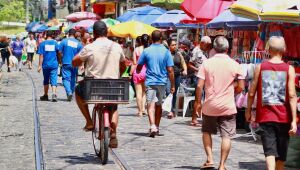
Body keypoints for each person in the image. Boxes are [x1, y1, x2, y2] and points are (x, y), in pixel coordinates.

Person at [246, 36, 298, 170]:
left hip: (265, 117)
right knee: (281, 155)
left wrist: (248, 111)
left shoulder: (260, 67)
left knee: (269, 151)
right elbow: (292, 95)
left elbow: (251, 92)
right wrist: (293, 120)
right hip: (284, 118)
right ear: (284, 49)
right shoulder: (289, 69)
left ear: (268, 49)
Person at [72, 21, 126, 148]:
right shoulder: (116, 46)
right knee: (114, 107)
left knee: (77, 91)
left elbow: (74, 62)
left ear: (94, 33)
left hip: (93, 86)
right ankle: (113, 134)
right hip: (114, 85)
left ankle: (89, 122)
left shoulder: (90, 47)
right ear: (106, 32)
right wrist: (118, 74)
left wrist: (83, 54)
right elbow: (123, 65)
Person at [194, 36, 245, 170]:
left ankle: (210, 159)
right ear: (227, 49)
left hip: (209, 105)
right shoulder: (235, 64)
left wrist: (198, 103)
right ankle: (222, 165)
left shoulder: (207, 63)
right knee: (226, 136)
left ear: (214, 49)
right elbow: (241, 86)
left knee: (206, 132)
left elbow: (199, 86)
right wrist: (231, 90)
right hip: (227, 106)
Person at [136, 30, 175, 137]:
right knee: (158, 105)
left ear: (151, 39)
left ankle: (153, 125)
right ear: (161, 39)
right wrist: (172, 85)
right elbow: (170, 70)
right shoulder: (166, 51)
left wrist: (139, 70)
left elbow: (139, 66)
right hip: (162, 82)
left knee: (150, 104)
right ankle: (156, 127)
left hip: (150, 82)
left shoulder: (147, 51)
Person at [189, 36, 212, 126]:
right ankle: (194, 119)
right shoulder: (196, 51)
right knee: (198, 99)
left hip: (205, 78)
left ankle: (203, 117)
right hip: (198, 77)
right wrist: (198, 70)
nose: (208, 47)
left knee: (204, 99)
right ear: (202, 43)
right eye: (207, 45)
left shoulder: (205, 52)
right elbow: (189, 64)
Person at [59, 29, 83, 101]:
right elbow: (81, 54)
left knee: (66, 79)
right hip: (74, 64)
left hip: (66, 62)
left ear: (68, 33)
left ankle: (69, 92)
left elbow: (59, 52)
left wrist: (61, 60)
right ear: (75, 34)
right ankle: (71, 93)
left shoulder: (64, 41)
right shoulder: (78, 43)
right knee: (73, 79)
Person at [166, 39, 187, 119]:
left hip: (177, 76)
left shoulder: (179, 54)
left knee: (174, 93)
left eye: (175, 45)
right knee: (168, 92)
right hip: (168, 76)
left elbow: (183, 63)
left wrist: (185, 70)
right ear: (169, 46)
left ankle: (172, 110)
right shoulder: (166, 54)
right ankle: (170, 110)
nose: (174, 46)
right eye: (172, 45)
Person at [37, 31, 60, 102]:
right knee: (54, 79)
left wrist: (39, 65)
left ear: (46, 36)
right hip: (54, 64)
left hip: (46, 65)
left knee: (46, 79)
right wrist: (59, 61)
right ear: (52, 35)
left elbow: (41, 55)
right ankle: (54, 94)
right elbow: (58, 53)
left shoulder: (42, 44)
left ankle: (46, 95)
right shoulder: (55, 43)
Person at [131, 34, 149, 117]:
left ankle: (140, 112)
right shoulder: (148, 50)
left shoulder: (136, 50)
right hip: (146, 72)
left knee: (138, 92)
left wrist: (130, 73)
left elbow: (134, 63)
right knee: (144, 92)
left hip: (138, 71)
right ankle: (143, 109)